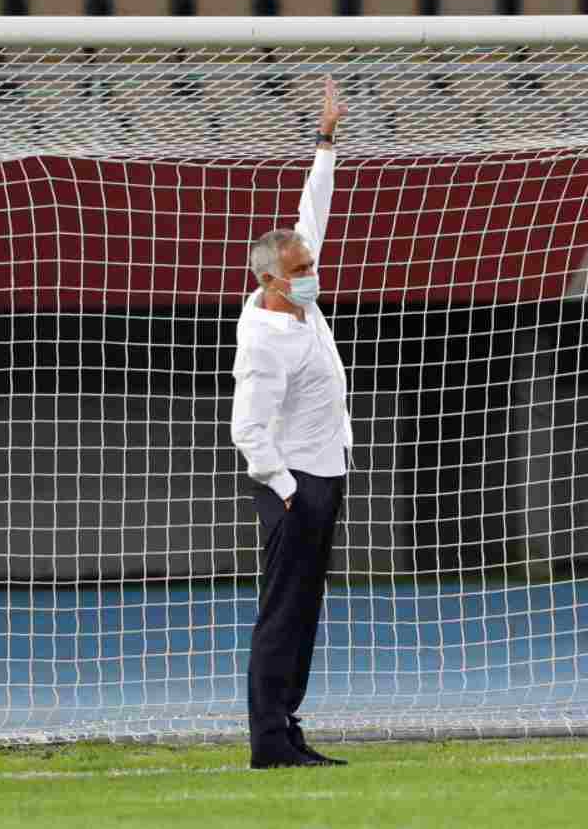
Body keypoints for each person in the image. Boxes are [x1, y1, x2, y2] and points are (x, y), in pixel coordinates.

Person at [230, 76, 351, 770]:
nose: (312, 271)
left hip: (325, 468)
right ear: (272, 281)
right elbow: (248, 428)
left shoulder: (297, 291)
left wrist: (325, 138)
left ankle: (288, 722)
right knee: (282, 611)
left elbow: (315, 207)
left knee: (306, 611)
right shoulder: (264, 339)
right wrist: (282, 488)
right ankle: (267, 741)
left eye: (309, 264)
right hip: (292, 485)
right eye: (301, 269)